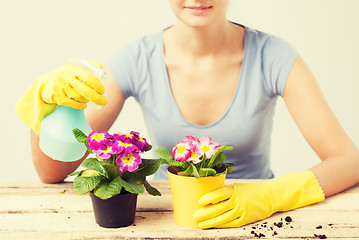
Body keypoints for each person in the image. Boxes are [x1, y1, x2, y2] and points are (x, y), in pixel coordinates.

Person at [16, 0, 359, 229]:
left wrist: (272, 195)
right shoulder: (136, 59)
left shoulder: (276, 57)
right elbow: (52, 172)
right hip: (170, 221)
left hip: (256, 222)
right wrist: (54, 111)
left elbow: (347, 160)